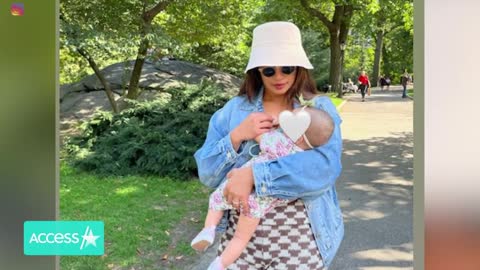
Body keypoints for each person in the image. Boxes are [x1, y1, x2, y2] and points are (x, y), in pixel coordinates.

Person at [194, 21, 343, 270]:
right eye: (269, 71)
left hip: (299, 238)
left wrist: (254, 174)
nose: (279, 76)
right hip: (240, 241)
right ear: (257, 72)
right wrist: (238, 135)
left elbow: (324, 170)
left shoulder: (319, 109)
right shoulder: (234, 110)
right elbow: (208, 174)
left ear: (298, 68)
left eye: (287, 68)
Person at [191, 106, 334, 269]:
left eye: (294, 117)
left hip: (241, 196)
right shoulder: (302, 156)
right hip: (259, 206)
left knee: (216, 200)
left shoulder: (278, 141)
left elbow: (257, 135)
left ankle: (209, 229)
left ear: (298, 132)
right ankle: (220, 264)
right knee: (240, 239)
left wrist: (275, 123)